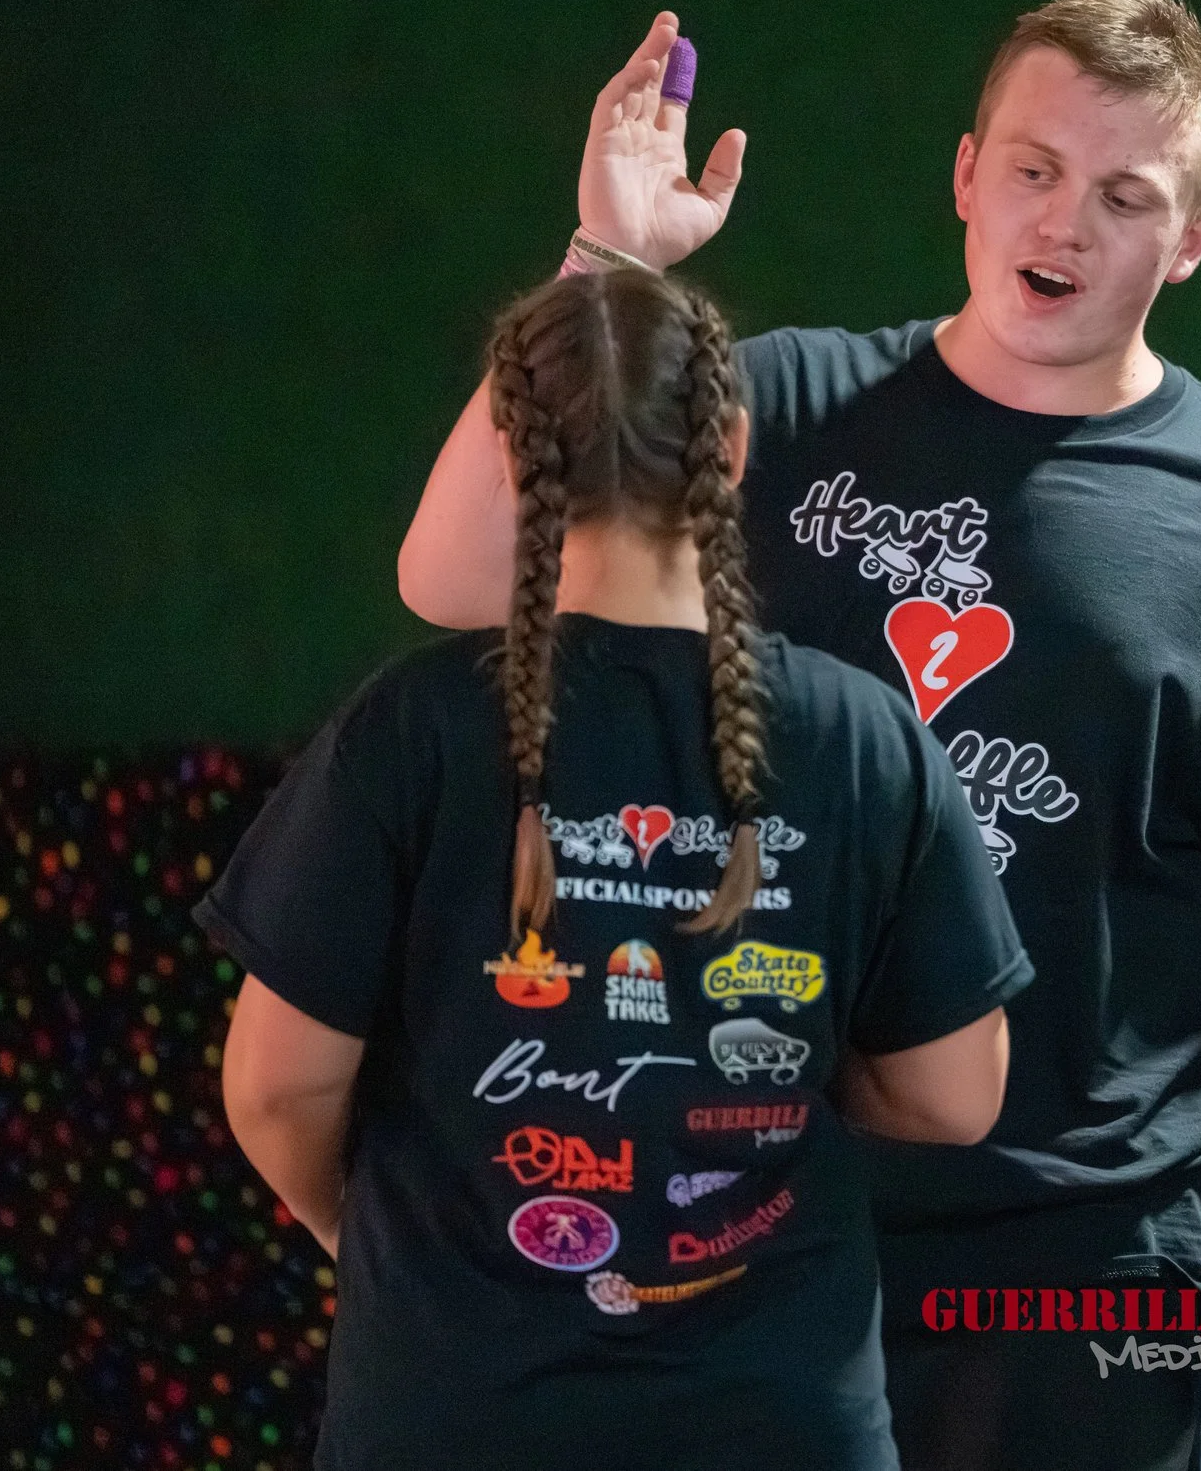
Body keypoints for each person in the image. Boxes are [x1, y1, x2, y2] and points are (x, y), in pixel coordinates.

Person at [398, 0, 1201, 1470]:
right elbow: (453, 574)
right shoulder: (785, 406)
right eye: (1033, 168)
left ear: (1193, 239)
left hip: (1097, 1263)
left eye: (1124, 195)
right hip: (756, 1212)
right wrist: (610, 263)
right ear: (965, 175)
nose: (1065, 223)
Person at [209, 268, 1035, 1469]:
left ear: (509, 449)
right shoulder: (864, 735)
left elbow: (275, 1089)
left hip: (453, 1415)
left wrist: (375, 1241)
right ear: (733, 443)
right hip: (775, 1422)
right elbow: (957, 1091)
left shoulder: (411, 729)